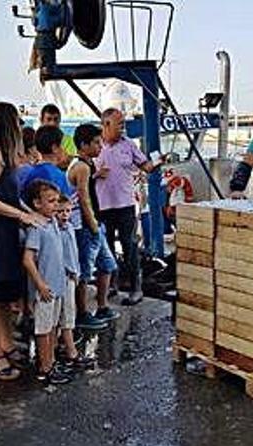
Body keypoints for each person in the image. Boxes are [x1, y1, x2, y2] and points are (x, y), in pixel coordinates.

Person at [0, 101, 42, 380]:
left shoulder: (3, 154)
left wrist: (30, 214)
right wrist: (21, 215)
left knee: (3, 295)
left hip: (4, 229)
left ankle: (6, 343)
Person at [97, 108, 161, 306]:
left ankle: (136, 288)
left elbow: (146, 166)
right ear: (106, 125)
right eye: (120, 124)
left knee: (130, 247)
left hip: (125, 205)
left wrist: (159, 161)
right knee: (105, 248)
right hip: (102, 206)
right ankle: (111, 285)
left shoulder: (129, 145)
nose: (123, 128)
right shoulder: (95, 145)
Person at [67, 123, 118, 328]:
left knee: (107, 265)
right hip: (86, 226)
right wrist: (94, 227)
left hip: (95, 223)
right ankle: (82, 313)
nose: (100, 146)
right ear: (83, 145)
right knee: (85, 271)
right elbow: (84, 198)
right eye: (96, 142)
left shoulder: (87, 165)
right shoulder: (81, 167)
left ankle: (102, 306)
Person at [22, 179, 72, 385]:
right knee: (43, 329)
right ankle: (45, 367)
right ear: (37, 203)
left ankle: (50, 361)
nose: (55, 205)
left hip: (57, 285)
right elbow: (27, 259)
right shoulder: (37, 228)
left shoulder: (52, 224)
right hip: (46, 288)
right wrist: (40, 284)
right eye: (50, 201)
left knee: (52, 327)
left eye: (55, 201)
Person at [55, 195, 95, 370]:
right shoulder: (53, 230)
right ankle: (71, 352)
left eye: (67, 211)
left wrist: (76, 271)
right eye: (60, 211)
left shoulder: (70, 227)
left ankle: (65, 348)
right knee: (65, 316)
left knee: (67, 315)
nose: (64, 215)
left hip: (71, 276)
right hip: (61, 277)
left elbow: (73, 252)